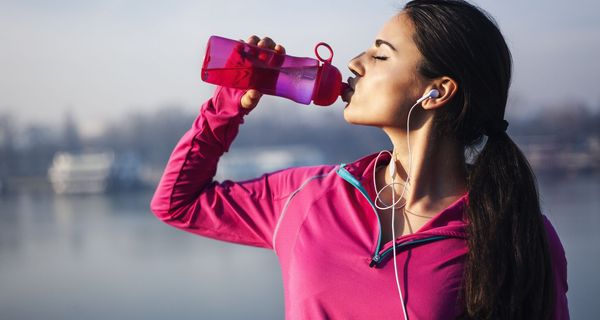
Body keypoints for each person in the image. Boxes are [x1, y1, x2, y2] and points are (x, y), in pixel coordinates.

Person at [150, 0, 569, 319]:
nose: (353, 63)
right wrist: (228, 104)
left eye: (381, 55)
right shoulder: (308, 196)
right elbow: (177, 203)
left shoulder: (513, 231)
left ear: (437, 91)